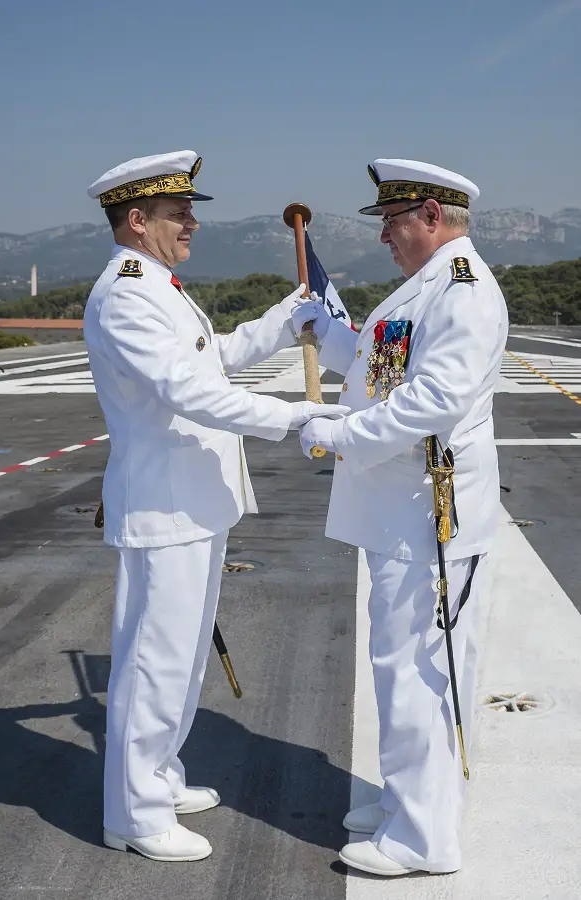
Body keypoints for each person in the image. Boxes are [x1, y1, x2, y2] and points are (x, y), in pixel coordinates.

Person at [83, 150, 348, 862]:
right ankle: (134, 817)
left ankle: (159, 776)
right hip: (164, 506)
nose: (192, 222)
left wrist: (283, 317)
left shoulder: (158, 287)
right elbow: (187, 392)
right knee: (154, 661)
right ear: (137, 222)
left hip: (194, 503)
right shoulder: (127, 292)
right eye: (179, 213)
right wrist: (297, 415)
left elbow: (213, 358)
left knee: (183, 656)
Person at [293, 159, 508, 877]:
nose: (383, 235)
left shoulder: (463, 293)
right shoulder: (427, 288)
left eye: (389, 220)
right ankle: (410, 800)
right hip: (397, 510)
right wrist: (327, 332)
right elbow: (384, 371)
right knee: (402, 663)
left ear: (428, 215)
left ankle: (421, 838)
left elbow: (430, 403)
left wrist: (337, 435)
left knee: (418, 668)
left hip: (426, 518)